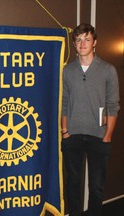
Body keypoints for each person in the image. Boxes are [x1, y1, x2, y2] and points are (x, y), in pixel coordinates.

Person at [61, 23, 120, 216]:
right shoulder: (68, 71)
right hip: (73, 137)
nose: (82, 43)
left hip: (99, 137)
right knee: (73, 184)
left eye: (87, 39)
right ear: (74, 44)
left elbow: (113, 105)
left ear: (95, 42)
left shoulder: (108, 70)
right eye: (78, 39)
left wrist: (108, 135)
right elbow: (65, 102)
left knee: (96, 186)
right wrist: (65, 132)